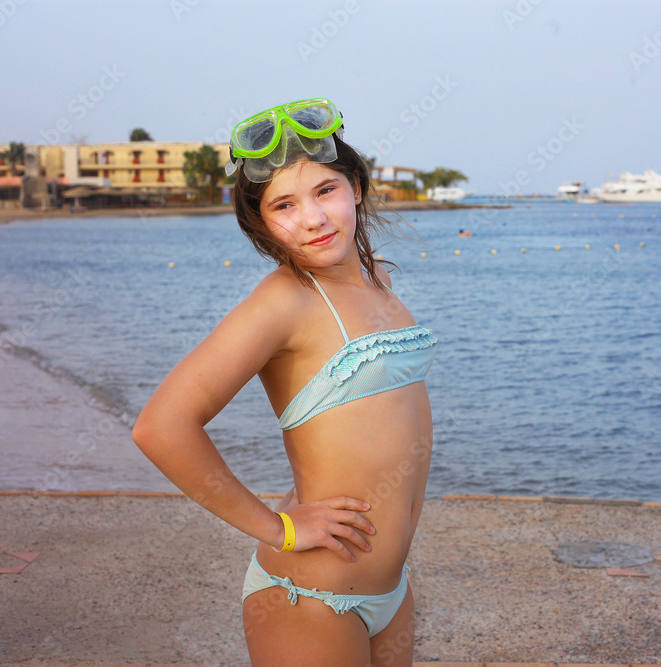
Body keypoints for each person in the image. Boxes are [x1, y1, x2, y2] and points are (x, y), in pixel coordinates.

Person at [132, 98, 437, 666]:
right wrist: (279, 529)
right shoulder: (283, 301)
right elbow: (161, 426)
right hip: (310, 599)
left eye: (325, 191)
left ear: (356, 188)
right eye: (284, 205)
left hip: (390, 591)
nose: (314, 218)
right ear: (262, 225)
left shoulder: (378, 283)